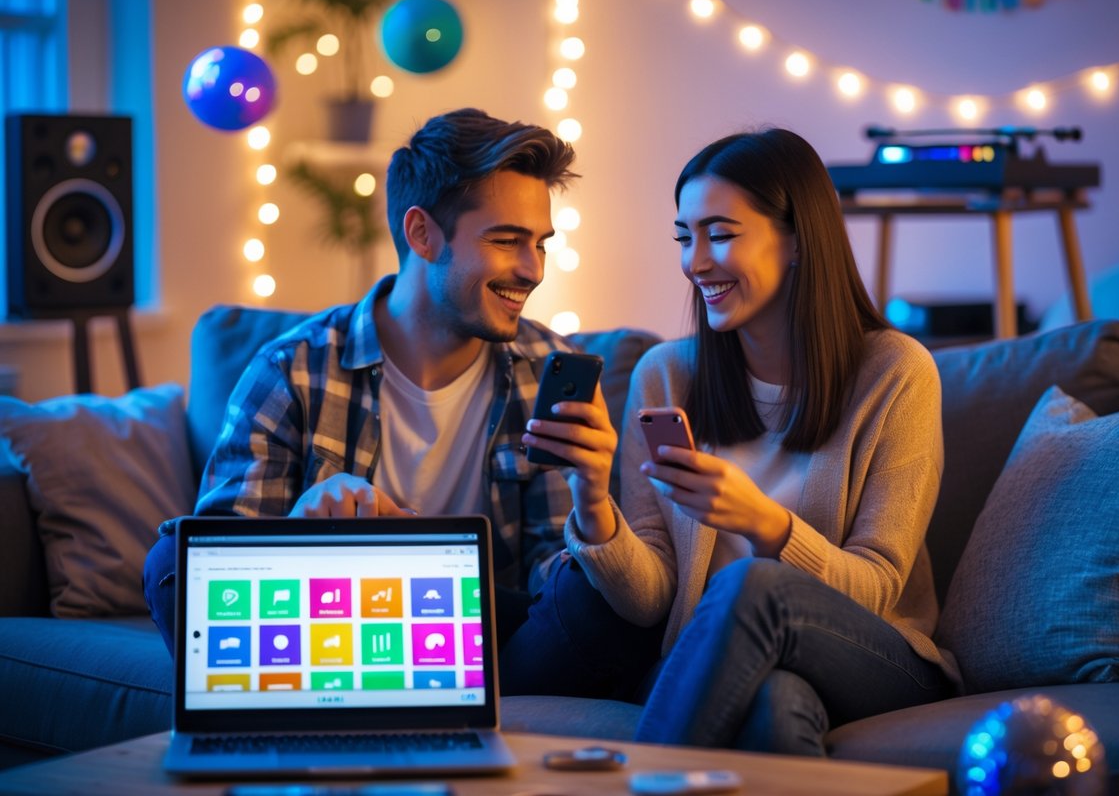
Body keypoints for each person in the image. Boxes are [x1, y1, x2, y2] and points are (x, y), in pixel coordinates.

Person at [511, 127, 960, 753]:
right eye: (684, 237)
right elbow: (651, 602)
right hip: (737, 660)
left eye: (720, 234)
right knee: (775, 707)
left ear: (798, 240)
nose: (695, 262)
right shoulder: (667, 374)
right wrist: (593, 503)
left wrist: (764, 524)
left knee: (751, 585)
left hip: (873, 654)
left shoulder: (895, 373)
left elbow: (880, 587)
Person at [142, 108, 617, 661]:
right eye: (507, 239)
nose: (533, 269)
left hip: (484, 629)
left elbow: (552, 584)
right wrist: (299, 530)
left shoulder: (549, 368)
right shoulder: (292, 368)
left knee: (602, 602)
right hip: (328, 619)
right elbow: (216, 564)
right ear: (421, 233)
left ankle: (417, 689)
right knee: (172, 561)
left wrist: (594, 502)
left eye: (540, 244)